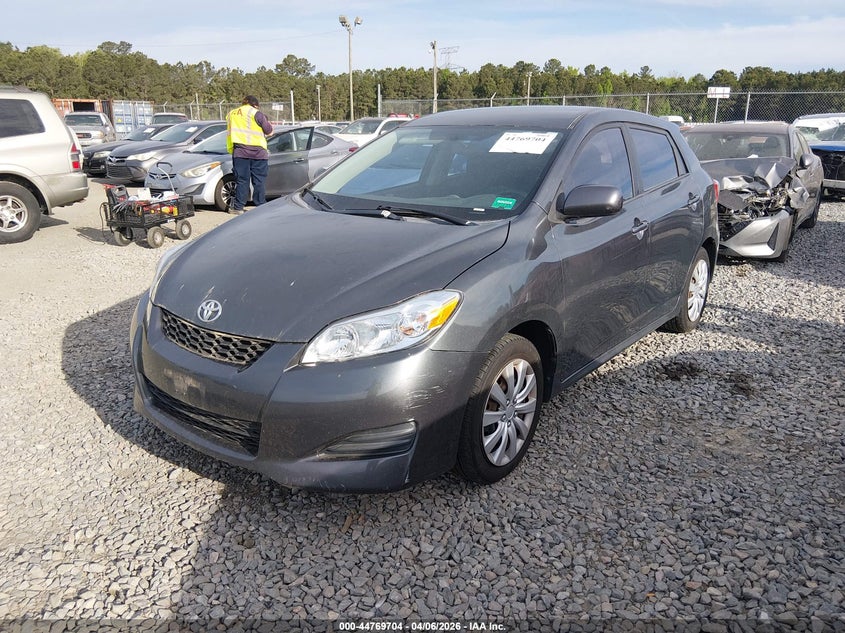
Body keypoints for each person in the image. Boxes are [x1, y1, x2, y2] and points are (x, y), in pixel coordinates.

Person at [226, 95, 273, 214]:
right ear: (255, 105)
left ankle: (238, 207)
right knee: (259, 181)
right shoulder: (256, 113)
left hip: (240, 152)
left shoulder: (232, 114)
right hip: (258, 153)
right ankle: (260, 206)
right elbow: (269, 131)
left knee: (242, 181)